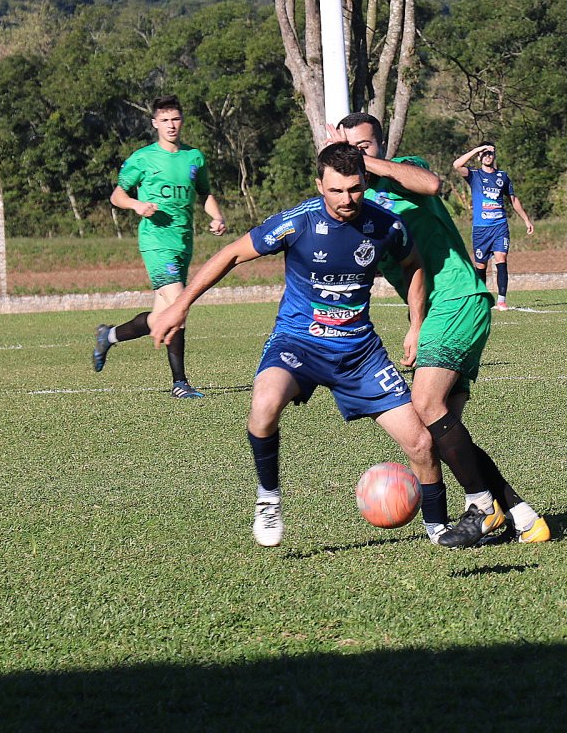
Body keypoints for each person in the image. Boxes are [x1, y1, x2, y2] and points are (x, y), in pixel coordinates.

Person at [149, 142, 437, 548]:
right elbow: (231, 254)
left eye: (354, 189)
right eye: (335, 190)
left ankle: (437, 527)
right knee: (264, 405)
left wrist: (416, 324)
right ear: (320, 185)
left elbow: (415, 264)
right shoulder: (297, 222)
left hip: (359, 352)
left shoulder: (386, 225)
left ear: (365, 182)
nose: (346, 199)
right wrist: (180, 306)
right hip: (298, 342)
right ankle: (268, 498)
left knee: (420, 442)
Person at [334, 114, 550, 546]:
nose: (359, 157)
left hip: (457, 299)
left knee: (427, 403)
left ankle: (483, 508)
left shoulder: (403, 170)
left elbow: (432, 185)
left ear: (380, 143)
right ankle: (526, 519)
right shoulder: (356, 207)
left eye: (365, 146)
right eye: (348, 149)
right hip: (434, 313)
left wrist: (366, 164)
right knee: (444, 429)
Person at [94, 95, 227, 399]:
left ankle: (109, 336)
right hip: (156, 243)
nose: (171, 125)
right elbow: (117, 196)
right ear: (155, 123)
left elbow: (204, 193)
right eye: (164, 120)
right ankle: (180, 383)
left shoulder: (194, 157)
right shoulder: (143, 158)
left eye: (175, 119)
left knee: (160, 318)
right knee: (180, 307)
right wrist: (137, 205)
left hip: (183, 242)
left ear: (182, 121)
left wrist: (217, 216)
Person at [452, 143, 534, 311]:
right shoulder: (474, 175)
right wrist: (476, 149)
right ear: (480, 157)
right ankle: (481, 299)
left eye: (491, 153)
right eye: (485, 153)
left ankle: (502, 300)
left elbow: (513, 199)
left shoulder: (502, 177)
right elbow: (457, 165)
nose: (488, 156)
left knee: (501, 258)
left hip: (499, 226)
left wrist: (526, 219)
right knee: (481, 265)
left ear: (494, 155)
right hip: (481, 229)